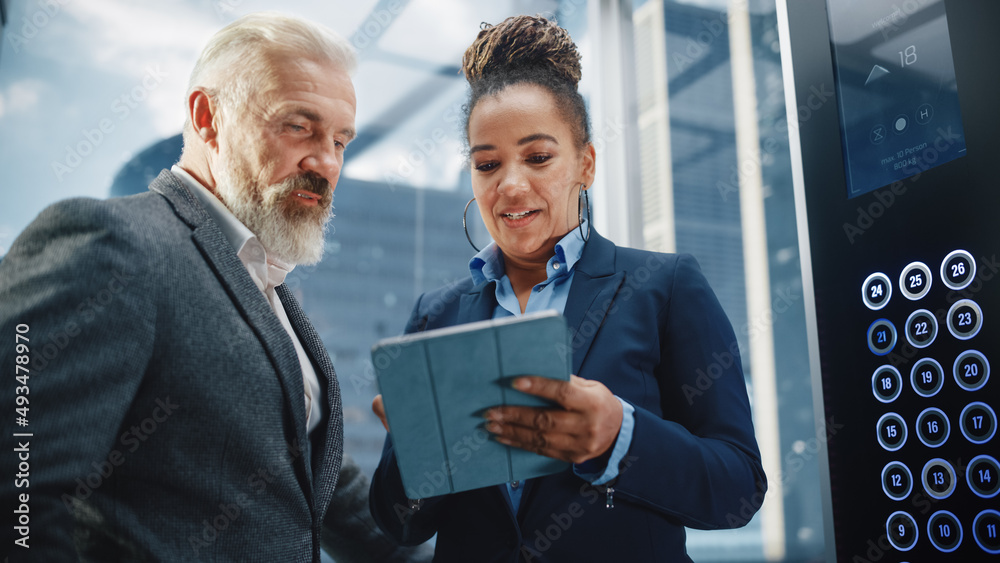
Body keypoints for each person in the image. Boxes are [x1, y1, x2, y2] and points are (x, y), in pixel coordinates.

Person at [0, 12, 426, 563]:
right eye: (299, 126)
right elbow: (18, 482)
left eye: (340, 140)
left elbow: (319, 493)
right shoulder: (111, 243)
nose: (326, 162)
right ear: (208, 116)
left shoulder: (267, 286)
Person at [369, 15, 767, 562]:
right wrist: (420, 453)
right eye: (488, 164)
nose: (510, 184)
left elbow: (739, 487)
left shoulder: (665, 287)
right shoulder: (435, 315)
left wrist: (619, 437)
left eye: (537, 157)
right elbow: (400, 526)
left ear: (586, 164)